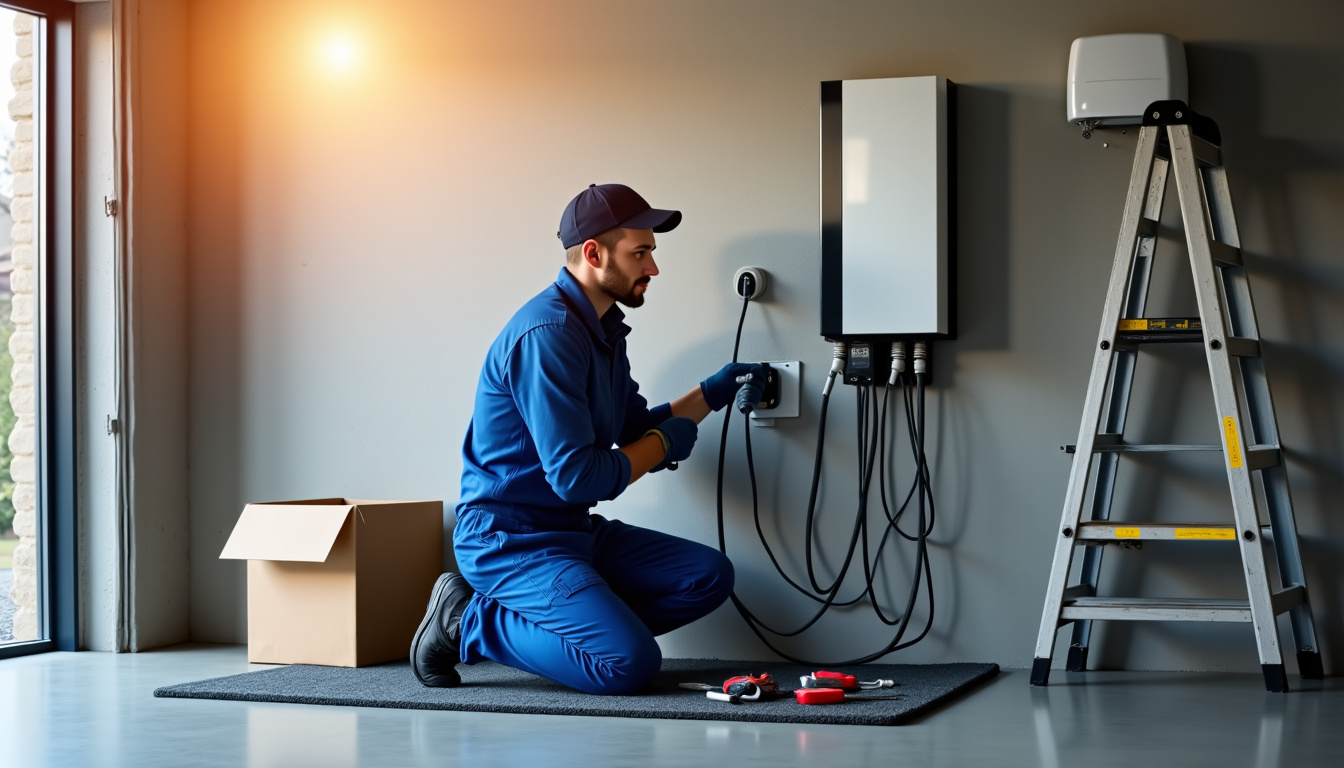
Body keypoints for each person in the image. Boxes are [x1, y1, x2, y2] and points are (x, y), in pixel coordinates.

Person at [410, 183, 766, 696]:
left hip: (572, 535)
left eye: (652, 253)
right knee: (628, 666)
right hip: (510, 540)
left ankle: (591, 629)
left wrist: (711, 393)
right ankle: (465, 620)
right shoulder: (548, 335)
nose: (653, 268)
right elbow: (578, 478)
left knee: (708, 576)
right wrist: (663, 447)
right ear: (595, 254)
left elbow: (636, 426)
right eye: (640, 253)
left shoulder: (602, 328)